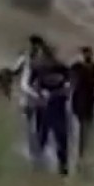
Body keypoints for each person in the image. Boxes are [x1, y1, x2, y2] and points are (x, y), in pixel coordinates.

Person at [22, 41, 73, 175]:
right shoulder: (37, 69)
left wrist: (61, 91)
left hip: (59, 108)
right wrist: (37, 95)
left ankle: (63, 170)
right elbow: (27, 85)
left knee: (61, 140)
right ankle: (38, 170)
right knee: (41, 139)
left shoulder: (62, 68)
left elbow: (70, 85)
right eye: (45, 53)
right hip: (42, 109)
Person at [68, 46, 94, 163]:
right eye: (85, 54)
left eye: (88, 54)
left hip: (89, 99)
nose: (87, 56)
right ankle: (80, 153)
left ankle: (83, 153)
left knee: (86, 127)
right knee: (80, 127)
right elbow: (69, 79)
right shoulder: (77, 67)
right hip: (79, 99)